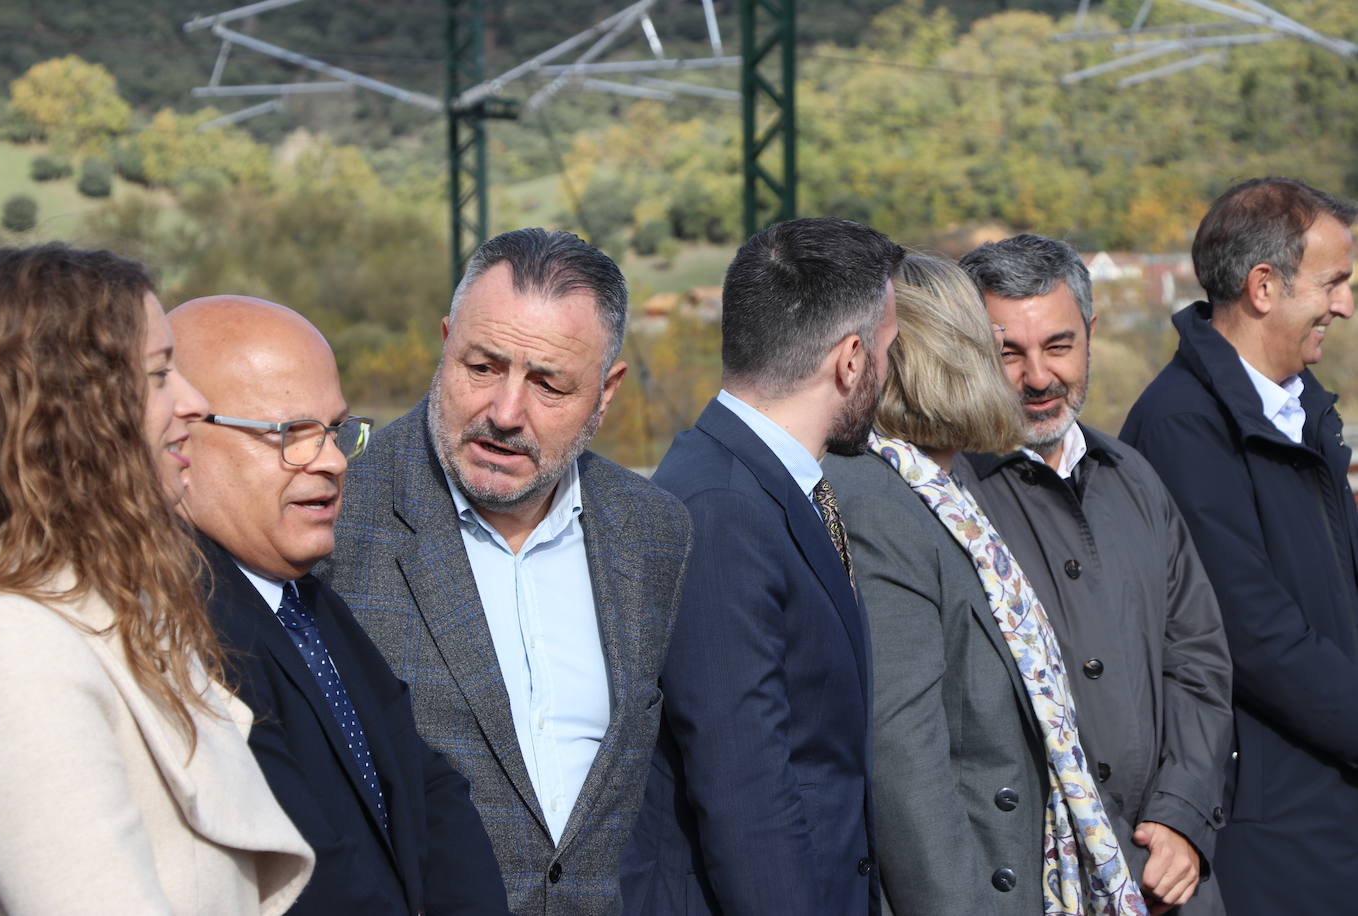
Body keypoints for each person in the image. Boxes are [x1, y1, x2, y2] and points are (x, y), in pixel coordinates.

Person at [321, 228, 693, 916]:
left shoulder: (653, 533)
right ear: (445, 342)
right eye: (483, 367)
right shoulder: (340, 520)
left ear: (607, 391)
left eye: (549, 383)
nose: (505, 413)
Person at [0, 245, 314, 914]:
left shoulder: (118, 604)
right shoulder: (14, 645)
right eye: (161, 373)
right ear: (74, 409)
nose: (193, 402)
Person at [827, 252, 1152, 915]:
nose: (1018, 372)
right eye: (994, 345)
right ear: (950, 355)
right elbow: (906, 762)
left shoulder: (943, 494)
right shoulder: (879, 501)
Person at [170, 295, 508, 916]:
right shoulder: (177, 624)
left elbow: (427, 788)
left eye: (334, 430)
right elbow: (301, 863)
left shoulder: (307, 600)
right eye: (289, 434)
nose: (330, 460)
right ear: (180, 435)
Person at [622, 217, 902, 916]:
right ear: (850, 360)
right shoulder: (720, 508)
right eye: (889, 349)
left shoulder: (761, 485)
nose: (890, 370)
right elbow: (745, 785)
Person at [955, 234, 1233, 915]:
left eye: (1057, 345)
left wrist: (1181, 816)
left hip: (1172, 881)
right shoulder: (944, 497)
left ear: (1090, 335)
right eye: (1008, 354)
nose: (1039, 377)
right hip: (1031, 887)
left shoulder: (1133, 478)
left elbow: (1196, 659)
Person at [1121, 177, 1358, 915]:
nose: (1345, 305)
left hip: (1324, 806)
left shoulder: (1300, 412)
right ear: (1264, 286)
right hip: (1269, 833)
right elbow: (1251, 632)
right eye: (1334, 283)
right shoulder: (1184, 426)